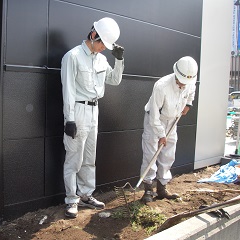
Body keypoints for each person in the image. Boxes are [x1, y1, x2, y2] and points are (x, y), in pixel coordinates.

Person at [60, 17, 125, 218]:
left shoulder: (102, 59)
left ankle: (86, 195)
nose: (104, 49)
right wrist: (69, 119)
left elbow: (114, 80)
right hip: (78, 111)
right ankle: (71, 200)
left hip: (94, 111)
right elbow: (68, 90)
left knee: (89, 158)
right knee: (74, 159)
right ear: (93, 34)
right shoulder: (72, 56)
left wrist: (120, 60)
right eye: (102, 44)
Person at [140, 56, 198, 204]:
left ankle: (162, 188)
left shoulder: (190, 82)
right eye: (181, 81)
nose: (183, 84)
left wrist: (188, 105)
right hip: (155, 120)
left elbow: (191, 93)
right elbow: (154, 115)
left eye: (186, 82)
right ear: (176, 74)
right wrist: (161, 135)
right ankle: (147, 189)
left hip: (173, 120)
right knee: (151, 154)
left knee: (168, 154)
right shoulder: (161, 86)